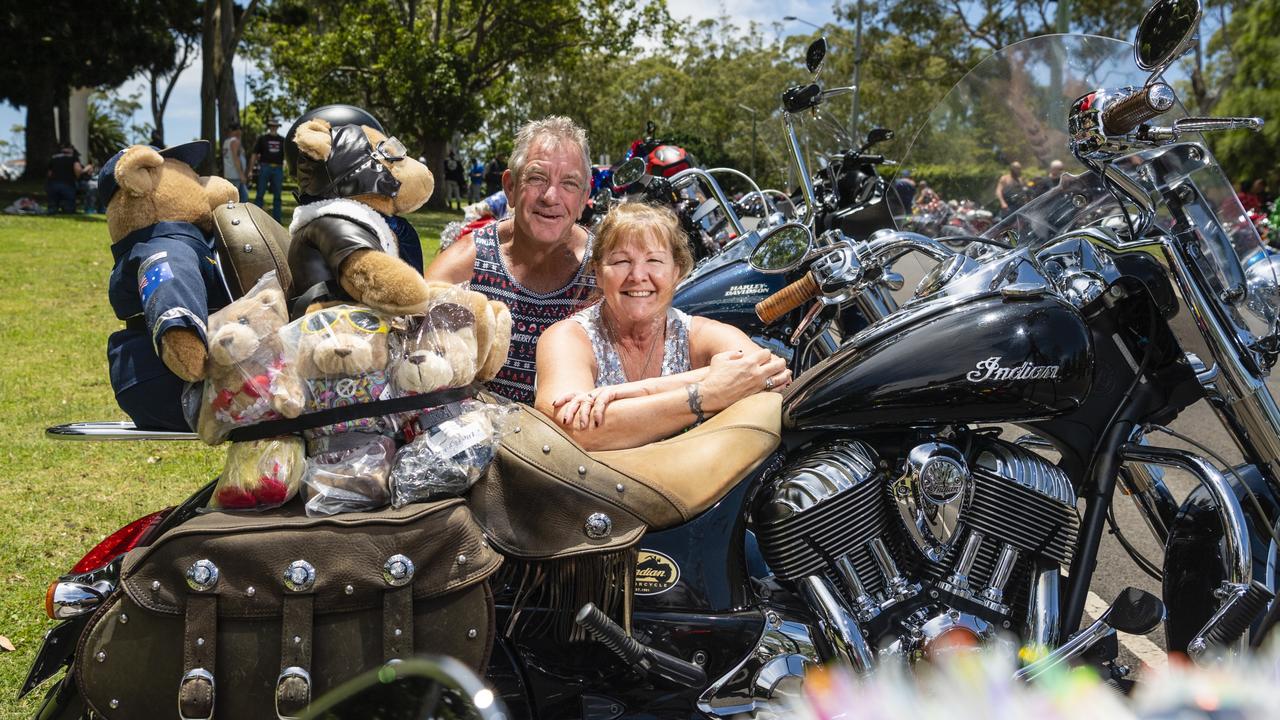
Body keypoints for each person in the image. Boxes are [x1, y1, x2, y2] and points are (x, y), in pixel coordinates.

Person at [534, 202, 790, 451]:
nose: (637, 276)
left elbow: (771, 374)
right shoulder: (567, 338)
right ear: (598, 274)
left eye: (654, 261)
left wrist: (636, 392)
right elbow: (571, 429)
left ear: (677, 273)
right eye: (621, 261)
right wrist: (706, 393)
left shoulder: (696, 334)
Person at [425, 116, 595, 403]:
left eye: (569, 183)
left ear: (583, 199)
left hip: (577, 438)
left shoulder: (606, 268)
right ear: (511, 187)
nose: (551, 196)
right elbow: (414, 355)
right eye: (537, 178)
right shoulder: (465, 265)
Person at [251, 118, 286, 221]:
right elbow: (254, 154)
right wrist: (250, 170)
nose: (273, 127)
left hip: (278, 169)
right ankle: (256, 219)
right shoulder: (262, 139)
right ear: (269, 127)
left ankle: (277, 220)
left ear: (277, 127)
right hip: (265, 167)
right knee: (260, 193)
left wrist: (286, 165)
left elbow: (287, 155)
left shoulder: (282, 140)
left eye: (275, 126)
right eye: (272, 126)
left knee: (278, 196)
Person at [46, 144, 81, 214]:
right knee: (69, 208)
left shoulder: (54, 158)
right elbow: (77, 169)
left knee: (52, 206)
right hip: (68, 184)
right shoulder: (73, 158)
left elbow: (49, 173)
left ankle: (53, 209)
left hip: (53, 184)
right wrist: (78, 177)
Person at [222, 122, 248, 202]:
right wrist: (241, 175)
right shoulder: (235, 141)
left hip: (229, 174)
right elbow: (235, 158)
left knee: (234, 198)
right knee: (240, 199)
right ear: (238, 130)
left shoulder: (226, 142)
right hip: (235, 175)